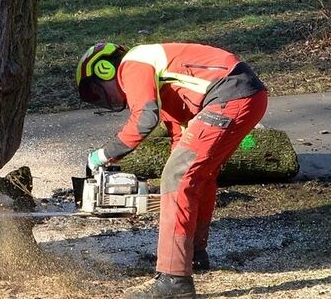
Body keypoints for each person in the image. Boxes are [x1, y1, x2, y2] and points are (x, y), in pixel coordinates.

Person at [76, 42, 268, 299]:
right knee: (196, 175)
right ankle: (194, 255)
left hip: (230, 94)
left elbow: (144, 119)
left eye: (96, 92)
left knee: (178, 177)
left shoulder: (132, 64)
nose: (102, 100)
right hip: (243, 94)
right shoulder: (165, 86)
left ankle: (174, 280)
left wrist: (103, 154)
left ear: (104, 68)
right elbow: (180, 133)